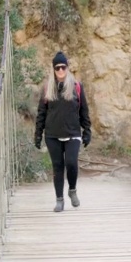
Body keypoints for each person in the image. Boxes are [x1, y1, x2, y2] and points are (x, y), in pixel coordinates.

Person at [34, 51, 92, 213]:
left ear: (67, 68)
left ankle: (72, 190)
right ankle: (59, 200)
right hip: (52, 135)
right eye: (57, 68)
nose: (60, 70)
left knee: (71, 163)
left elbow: (84, 111)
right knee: (58, 167)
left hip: (73, 133)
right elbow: (41, 113)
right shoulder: (47, 88)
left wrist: (87, 131)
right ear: (53, 69)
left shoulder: (77, 87)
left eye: (63, 67)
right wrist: (38, 134)